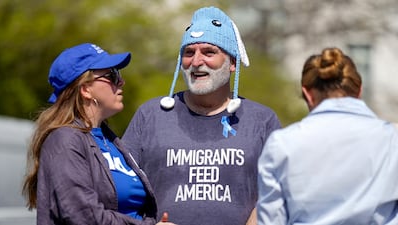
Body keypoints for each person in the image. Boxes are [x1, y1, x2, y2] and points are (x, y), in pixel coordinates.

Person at [122, 6, 281, 225]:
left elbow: (279, 191)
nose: (196, 62)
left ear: (232, 63)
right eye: (189, 53)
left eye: (209, 52)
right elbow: (120, 190)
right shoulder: (150, 115)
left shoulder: (262, 120)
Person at [22, 43, 175, 225]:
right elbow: (81, 215)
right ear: (85, 89)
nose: (121, 81)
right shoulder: (64, 140)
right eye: (112, 75)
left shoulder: (110, 140)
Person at [257, 47, 398, 225]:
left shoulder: (282, 143)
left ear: (307, 94)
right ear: (359, 90)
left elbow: (271, 219)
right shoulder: (392, 138)